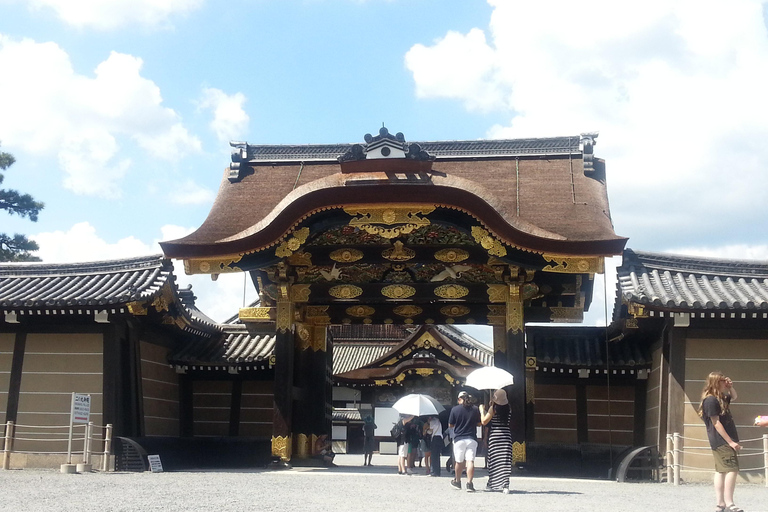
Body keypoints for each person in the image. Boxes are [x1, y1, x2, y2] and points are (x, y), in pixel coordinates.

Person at [698, 372, 742, 512]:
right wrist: (730, 442)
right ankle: (729, 503)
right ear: (716, 382)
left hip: (722, 440)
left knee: (721, 471)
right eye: (723, 381)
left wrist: (730, 387)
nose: (725, 383)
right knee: (732, 469)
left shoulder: (720, 398)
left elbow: (734, 397)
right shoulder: (711, 400)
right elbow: (716, 423)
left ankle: (721, 503)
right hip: (722, 440)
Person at [480, 389, 512, 494]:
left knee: (494, 459)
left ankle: (492, 483)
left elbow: (484, 421)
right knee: (505, 461)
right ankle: (505, 485)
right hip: (506, 434)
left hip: (495, 435)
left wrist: (482, 410)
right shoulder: (509, 408)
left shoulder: (493, 409)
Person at [448, 390, 481, 492]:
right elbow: (479, 423)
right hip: (471, 438)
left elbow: (450, 425)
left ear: (459, 399)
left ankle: (457, 481)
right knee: (470, 461)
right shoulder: (475, 409)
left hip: (459, 439)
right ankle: (469, 483)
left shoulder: (455, 409)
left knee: (459, 461)